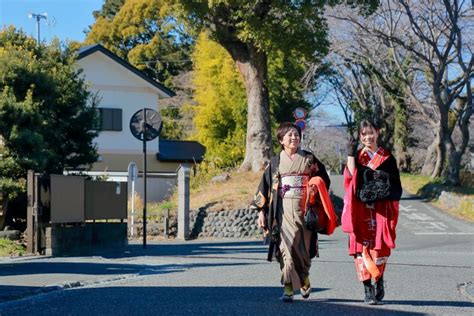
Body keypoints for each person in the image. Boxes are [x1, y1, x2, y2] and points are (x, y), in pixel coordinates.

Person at [251, 122, 331, 302]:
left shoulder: (310, 158)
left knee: (303, 250)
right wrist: (261, 211)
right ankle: (288, 288)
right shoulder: (275, 162)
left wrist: (314, 188)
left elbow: (324, 179)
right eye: (290, 135)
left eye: (296, 134)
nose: (294, 138)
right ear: (281, 140)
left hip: (306, 210)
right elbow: (264, 187)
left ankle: (304, 277)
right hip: (282, 211)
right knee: (284, 249)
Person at [341, 119, 402, 305]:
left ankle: (379, 279)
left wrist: (381, 185)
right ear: (360, 136)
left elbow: (394, 183)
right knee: (361, 248)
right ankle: (368, 289)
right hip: (361, 208)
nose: (367, 137)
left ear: (377, 133)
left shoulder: (387, 157)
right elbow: (351, 177)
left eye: (370, 133)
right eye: (363, 134)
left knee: (379, 248)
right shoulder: (358, 156)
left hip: (381, 209)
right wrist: (351, 154)